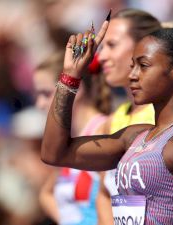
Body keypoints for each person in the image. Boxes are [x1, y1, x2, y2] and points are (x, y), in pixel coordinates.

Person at [41, 13, 173, 224]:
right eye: (132, 65)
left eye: (143, 66)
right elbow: (55, 153)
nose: (133, 75)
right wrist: (70, 77)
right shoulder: (134, 136)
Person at [94, 9, 162, 224]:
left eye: (111, 45)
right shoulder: (110, 123)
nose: (101, 56)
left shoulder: (170, 113)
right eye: (102, 47)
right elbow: (105, 194)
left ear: (143, 48)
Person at [34, 51, 111, 225]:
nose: (39, 104)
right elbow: (46, 194)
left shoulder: (104, 130)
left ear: (77, 88)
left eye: (45, 94)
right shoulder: (67, 140)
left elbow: (114, 199)